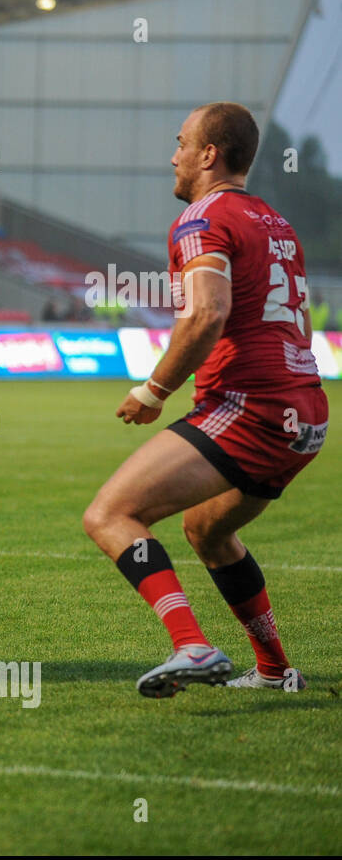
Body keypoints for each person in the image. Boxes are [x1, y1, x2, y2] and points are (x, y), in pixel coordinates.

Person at [82, 102, 326, 697]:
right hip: (306, 413)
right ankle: (274, 670)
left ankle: (191, 645)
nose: (173, 155)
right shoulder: (274, 221)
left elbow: (207, 313)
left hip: (251, 407)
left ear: (208, 154)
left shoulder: (201, 219)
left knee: (110, 514)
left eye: (181, 142)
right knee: (208, 533)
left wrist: (153, 390)